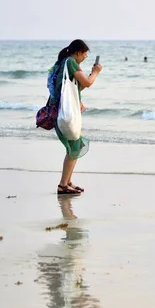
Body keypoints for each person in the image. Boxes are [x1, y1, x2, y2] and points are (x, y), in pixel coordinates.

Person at [49, 39, 103, 194]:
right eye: (85, 53)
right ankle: (62, 185)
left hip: (63, 111)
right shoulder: (71, 62)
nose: (85, 57)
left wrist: (78, 101)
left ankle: (67, 181)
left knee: (74, 147)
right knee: (74, 146)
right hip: (66, 114)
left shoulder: (64, 63)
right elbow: (87, 83)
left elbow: (74, 87)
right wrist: (96, 72)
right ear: (78, 52)